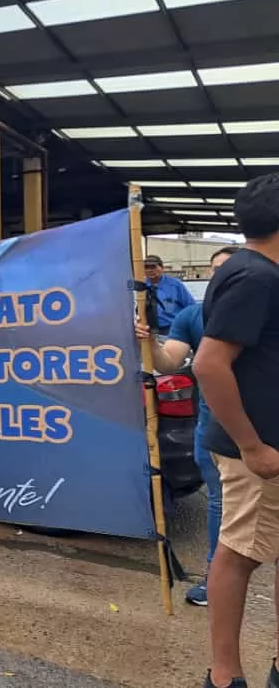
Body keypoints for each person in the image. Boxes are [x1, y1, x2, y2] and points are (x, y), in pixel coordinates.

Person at [193, 173, 279, 688]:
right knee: (239, 553)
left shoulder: (260, 273)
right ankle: (225, 676)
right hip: (260, 449)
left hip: (268, 444)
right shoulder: (255, 278)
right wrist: (252, 446)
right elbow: (209, 364)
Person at [135, 246, 238, 607]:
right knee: (220, 504)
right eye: (216, 270)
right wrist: (149, 340)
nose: (222, 276)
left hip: (266, 429)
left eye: (229, 268)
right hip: (215, 431)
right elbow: (168, 361)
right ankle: (216, 582)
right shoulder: (193, 317)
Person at [143, 254, 195, 337]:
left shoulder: (175, 285)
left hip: (172, 329)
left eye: (153, 267)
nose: (150, 270)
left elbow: (191, 307)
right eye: (146, 267)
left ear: (162, 268)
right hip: (148, 331)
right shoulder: (141, 286)